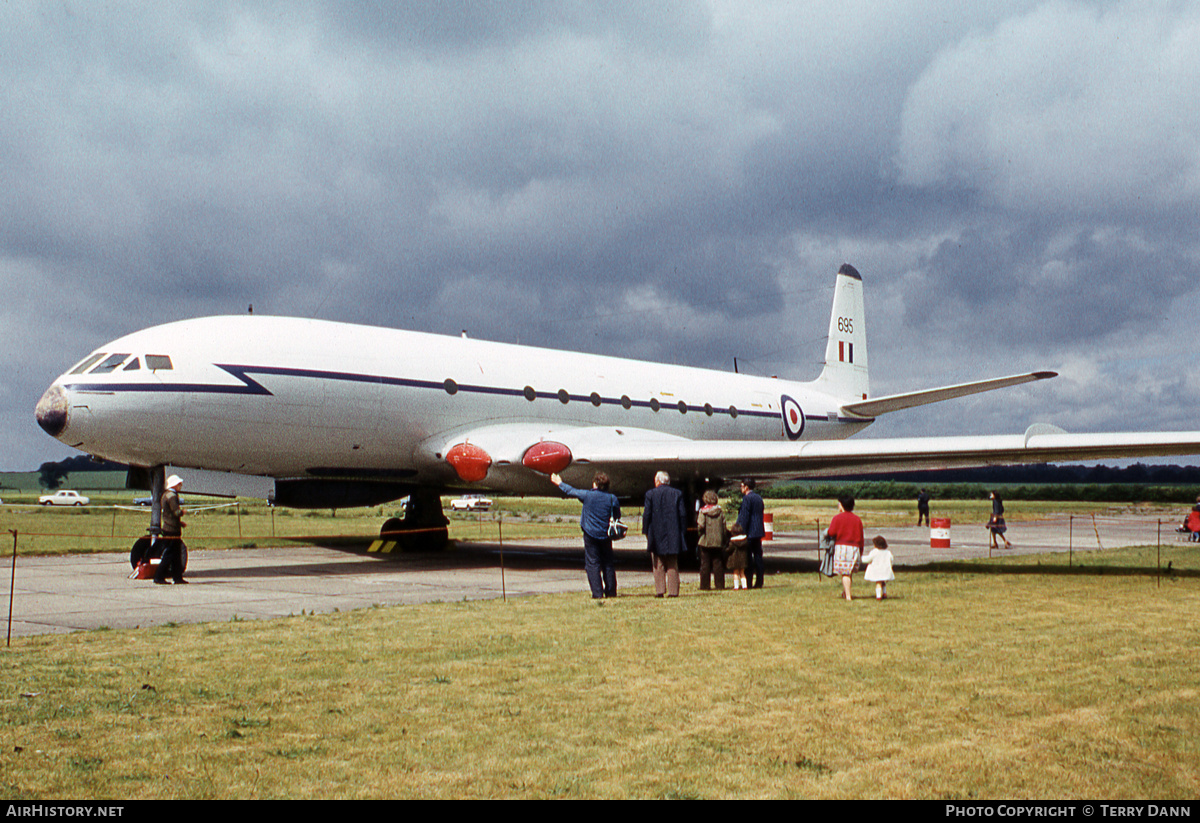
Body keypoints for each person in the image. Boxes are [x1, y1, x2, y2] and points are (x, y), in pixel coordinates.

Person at [552, 472, 621, 598]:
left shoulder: (588, 495)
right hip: (606, 535)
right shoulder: (612, 498)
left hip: (590, 534)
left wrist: (559, 483)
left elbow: (571, 491)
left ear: (594, 484)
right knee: (608, 563)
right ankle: (611, 592)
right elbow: (617, 515)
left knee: (592, 564)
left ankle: (597, 593)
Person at [642, 470, 686, 597]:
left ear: (658, 481)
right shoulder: (677, 493)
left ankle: (660, 590)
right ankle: (673, 591)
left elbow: (647, 514)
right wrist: (682, 531)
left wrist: (645, 530)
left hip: (655, 531)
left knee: (657, 562)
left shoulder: (650, 494)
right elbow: (682, 514)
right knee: (672, 562)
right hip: (674, 531)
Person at [826, 494, 864, 600]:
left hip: (842, 548)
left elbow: (831, 532)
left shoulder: (837, 518)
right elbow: (861, 537)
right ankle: (845, 591)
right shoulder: (857, 519)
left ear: (842, 505)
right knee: (849, 572)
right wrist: (860, 550)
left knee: (845, 573)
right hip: (854, 548)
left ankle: (848, 596)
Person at [153, 474, 188, 585]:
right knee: (169, 554)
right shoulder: (172, 496)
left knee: (176, 555)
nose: (180, 486)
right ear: (175, 485)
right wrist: (183, 512)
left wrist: (179, 523)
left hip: (169, 526)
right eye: (179, 484)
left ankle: (177, 577)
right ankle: (158, 576)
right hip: (172, 529)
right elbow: (176, 512)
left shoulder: (165, 495)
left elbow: (169, 514)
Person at [696, 490, 729, 590]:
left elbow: (701, 526)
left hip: (705, 541)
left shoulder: (703, 511)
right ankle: (720, 585)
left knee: (705, 564)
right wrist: (723, 538)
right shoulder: (720, 512)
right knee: (718, 564)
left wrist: (699, 533)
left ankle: (704, 586)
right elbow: (724, 527)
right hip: (718, 541)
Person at [736, 479, 766, 589]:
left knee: (748, 558)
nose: (741, 488)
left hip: (749, 531)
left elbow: (745, 516)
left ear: (746, 487)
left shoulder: (747, 499)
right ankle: (759, 581)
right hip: (758, 530)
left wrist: (740, 529)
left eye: (742, 486)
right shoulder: (758, 498)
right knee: (758, 557)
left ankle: (748, 582)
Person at [862, 535, 895, 601]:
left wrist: (861, 558)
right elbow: (892, 559)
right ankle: (884, 593)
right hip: (885, 570)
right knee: (883, 582)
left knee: (878, 583)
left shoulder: (874, 552)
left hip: (877, 571)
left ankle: (878, 596)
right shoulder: (888, 552)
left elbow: (868, 559)